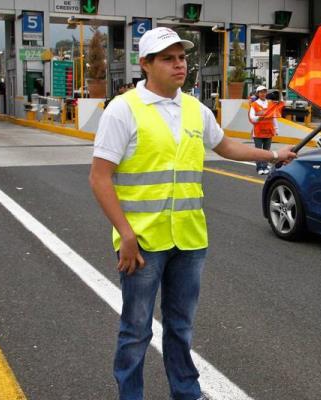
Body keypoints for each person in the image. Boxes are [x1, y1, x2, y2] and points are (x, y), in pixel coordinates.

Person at [88, 27, 296, 400]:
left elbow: (227, 146)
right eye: (168, 58)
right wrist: (126, 234)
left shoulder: (195, 109)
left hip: (189, 239)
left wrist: (273, 155)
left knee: (180, 327)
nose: (179, 64)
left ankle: (186, 392)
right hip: (143, 243)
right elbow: (99, 177)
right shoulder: (123, 110)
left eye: (182, 57)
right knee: (135, 330)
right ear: (146, 64)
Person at [249, 85, 279, 175]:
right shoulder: (254, 105)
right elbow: (252, 117)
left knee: (266, 151)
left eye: (264, 92)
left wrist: (276, 128)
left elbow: (274, 117)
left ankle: (265, 166)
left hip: (269, 131)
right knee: (259, 151)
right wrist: (259, 117)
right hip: (258, 131)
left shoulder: (270, 104)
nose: (263, 94)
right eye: (261, 92)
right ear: (258, 94)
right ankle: (259, 167)